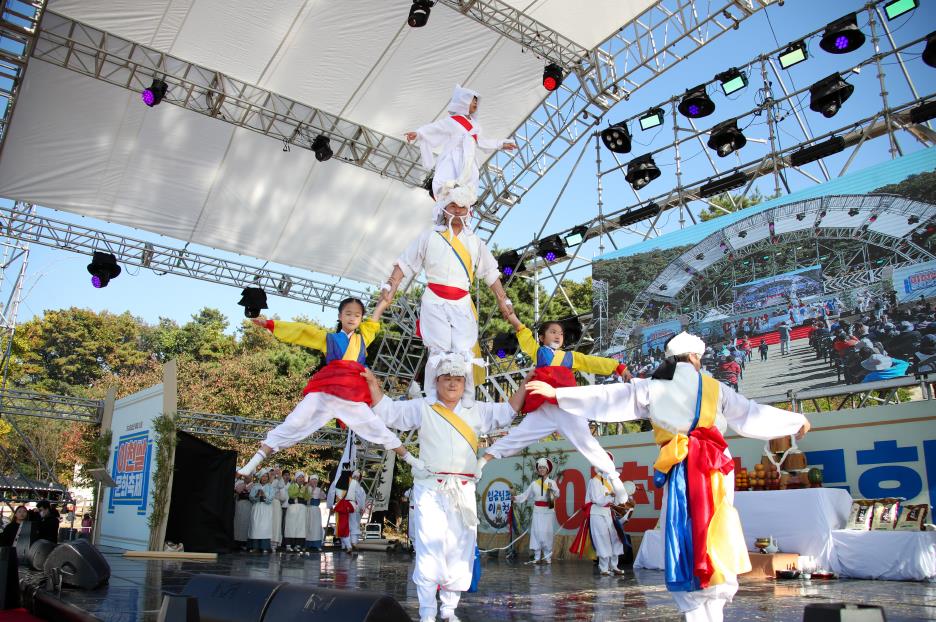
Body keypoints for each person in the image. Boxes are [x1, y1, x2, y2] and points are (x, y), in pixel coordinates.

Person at [526, 332, 810, 622]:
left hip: (682, 468)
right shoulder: (714, 387)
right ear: (695, 357)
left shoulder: (654, 386)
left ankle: (694, 604)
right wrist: (796, 420)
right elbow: (752, 415)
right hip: (716, 471)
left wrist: (558, 394)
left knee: (685, 531)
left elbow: (608, 397)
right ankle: (715, 601)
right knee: (717, 531)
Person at [363, 355, 527, 622]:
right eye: (446, 379)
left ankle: (449, 610)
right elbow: (388, 412)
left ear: (465, 382)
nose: (452, 384)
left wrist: (527, 381)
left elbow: (508, 411)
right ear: (436, 381)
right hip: (430, 487)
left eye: (458, 379)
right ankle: (427, 611)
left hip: (463, 489)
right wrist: (372, 382)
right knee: (429, 546)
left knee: (459, 549)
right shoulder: (423, 407)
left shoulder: (476, 410)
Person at [238, 298, 417, 476]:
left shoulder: (363, 339)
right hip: (326, 390)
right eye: (348, 314)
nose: (352, 318)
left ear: (361, 318)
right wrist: (269, 324)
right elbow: (302, 331)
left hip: (350, 394)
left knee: (376, 426)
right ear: (340, 316)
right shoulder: (329, 339)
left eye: (357, 315)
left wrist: (384, 301)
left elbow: (375, 318)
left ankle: (410, 459)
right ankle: (255, 461)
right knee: (294, 421)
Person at [380, 184, 513, 406]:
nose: (458, 210)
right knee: (437, 350)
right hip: (434, 299)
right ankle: (431, 395)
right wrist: (391, 285)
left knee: (464, 351)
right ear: (443, 208)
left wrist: (503, 299)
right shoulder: (429, 236)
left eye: (463, 207)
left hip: (461, 302)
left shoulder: (475, 241)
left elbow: (490, 273)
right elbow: (405, 262)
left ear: (468, 210)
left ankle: (468, 394)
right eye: (454, 205)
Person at [477, 317, 631, 503]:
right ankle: (483, 460)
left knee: (587, 443)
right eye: (553, 332)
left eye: (561, 333)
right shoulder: (539, 352)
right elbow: (524, 335)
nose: (558, 335)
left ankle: (614, 479)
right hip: (544, 409)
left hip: (566, 408)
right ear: (542, 337)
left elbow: (594, 362)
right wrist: (511, 318)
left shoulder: (570, 357)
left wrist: (618, 367)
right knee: (518, 435)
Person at [404, 85, 517, 202]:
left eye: (477, 101)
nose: (475, 103)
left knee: (470, 182)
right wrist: (418, 133)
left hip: (469, 159)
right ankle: (444, 197)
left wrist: (501, 144)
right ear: (464, 100)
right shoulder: (452, 120)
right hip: (453, 156)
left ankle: (463, 202)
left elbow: (481, 141)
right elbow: (435, 128)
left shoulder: (476, 125)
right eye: (473, 100)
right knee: (446, 178)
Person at [576, 457, 625, 576]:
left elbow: (618, 501)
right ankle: (603, 568)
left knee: (616, 538)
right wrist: (611, 495)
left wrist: (619, 496)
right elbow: (598, 500)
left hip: (608, 512)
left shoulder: (611, 480)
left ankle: (614, 566)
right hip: (597, 513)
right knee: (602, 539)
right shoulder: (594, 481)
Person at [511, 457, 560, 564]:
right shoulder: (534, 484)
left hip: (548, 510)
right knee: (537, 532)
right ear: (538, 470)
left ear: (547, 469)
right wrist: (515, 498)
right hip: (537, 510)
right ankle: (537, 557)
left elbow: (557, 494)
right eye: (540, 468)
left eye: (543, 467)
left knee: (547, 533)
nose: (542, 469)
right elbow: (526, 495)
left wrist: (552, 491)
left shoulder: (552, 482)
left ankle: (547, 557)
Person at [328, 471, 363, 553]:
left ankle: (348, 546)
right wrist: (360, 506)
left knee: (342, 526)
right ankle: (354, 542)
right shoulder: (354, 482)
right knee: (353, 524)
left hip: (341, 506)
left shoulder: (336, 481)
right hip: (352, 505)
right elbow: (359, 495)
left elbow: (331, 494)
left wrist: (330, 506)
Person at [248, 469, 274, 553]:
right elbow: (251, 498)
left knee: (265, 527)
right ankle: (254, 546)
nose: (264, 478)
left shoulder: (270, 487)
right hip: (257, 508)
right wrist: (257, 495)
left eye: (266, 476)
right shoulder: (255, 486)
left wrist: (264, 495)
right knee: (255, 526)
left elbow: (271, 499)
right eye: (263, 476)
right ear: (260, 477)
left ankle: (264, 546)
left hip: (266, 509)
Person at [284, 472, 309, 552]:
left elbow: (307, 497)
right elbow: (292, 495)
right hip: (292, 508)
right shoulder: (292, 486)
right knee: (290, 526)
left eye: (302, 477)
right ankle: (288, 544)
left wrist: (301, 494)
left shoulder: (305, 487)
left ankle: (298, 545)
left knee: (300, 527)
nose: (301, 479)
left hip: (302, 508)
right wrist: (300, 492)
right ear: (296, 478)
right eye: (299, 477)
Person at [304, 474, 325, 552]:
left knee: (316, 528)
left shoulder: (319, 489)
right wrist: (311, 489)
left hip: (316, 510)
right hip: (308, 509)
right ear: (310, 481)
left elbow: (323, 497)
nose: (314, 481)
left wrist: (321, 491)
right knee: (308, 526)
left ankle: (317, 544)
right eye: (313, 479)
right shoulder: (307, 488)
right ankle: (307, 544)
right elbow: (305, 497)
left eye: (315, 480)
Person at [270, 467, 287, 551]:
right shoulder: (266, 481)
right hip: (267, 505)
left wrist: (279, 477)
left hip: (275, 504)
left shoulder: (280, 482)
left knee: (276, 523)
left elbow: (283, 496)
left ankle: (274, 542)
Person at [233, 476, 252, 550]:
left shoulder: (254, 485)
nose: (247, 478)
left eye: (248, 477)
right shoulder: (240, 484)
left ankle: (245, 543)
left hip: (248, 505)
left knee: (246, 523)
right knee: (238, 523)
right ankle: (237, 542)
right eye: (246, 477)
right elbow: (237, 492)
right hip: (239, 505)